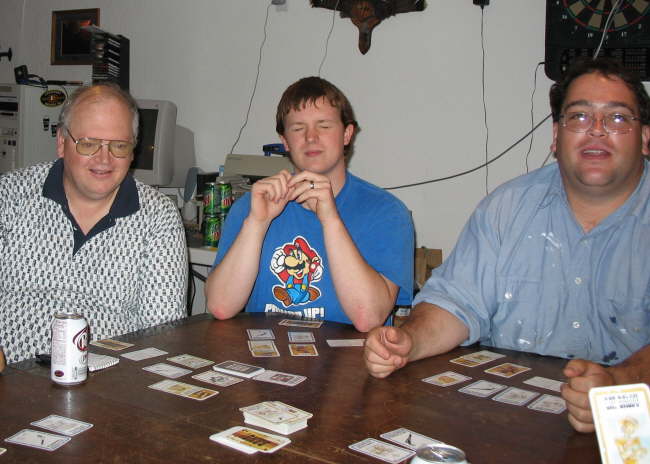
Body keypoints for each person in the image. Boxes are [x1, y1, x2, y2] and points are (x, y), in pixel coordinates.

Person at [364, 57, 650, 433]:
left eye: (616, 118)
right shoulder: (507, 207)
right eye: (579, 116)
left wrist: (620, 383)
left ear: (645, 137)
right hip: (509, 425)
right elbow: (457, 302)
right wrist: (409, 341)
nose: (595, 130)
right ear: (555, 136)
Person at [0, 82, 187, 364]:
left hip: (107, 386)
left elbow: (163, 334)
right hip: (10, 378)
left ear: (133, 150)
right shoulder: (9, 196)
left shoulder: (158, 217)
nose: (104, 159)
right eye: (88, 144)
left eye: (119, 146)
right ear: (62, 142)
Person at [206, 76, 413, 331]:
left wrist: (330, 220)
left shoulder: (387, 212)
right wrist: (257, 224)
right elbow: (221, 306)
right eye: (297, 128)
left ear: (347, 134)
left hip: (349, 364)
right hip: (264, 362)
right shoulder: (252, 206)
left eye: (324, 126)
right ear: (285, 142)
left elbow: (368, 318)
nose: (311, 137)